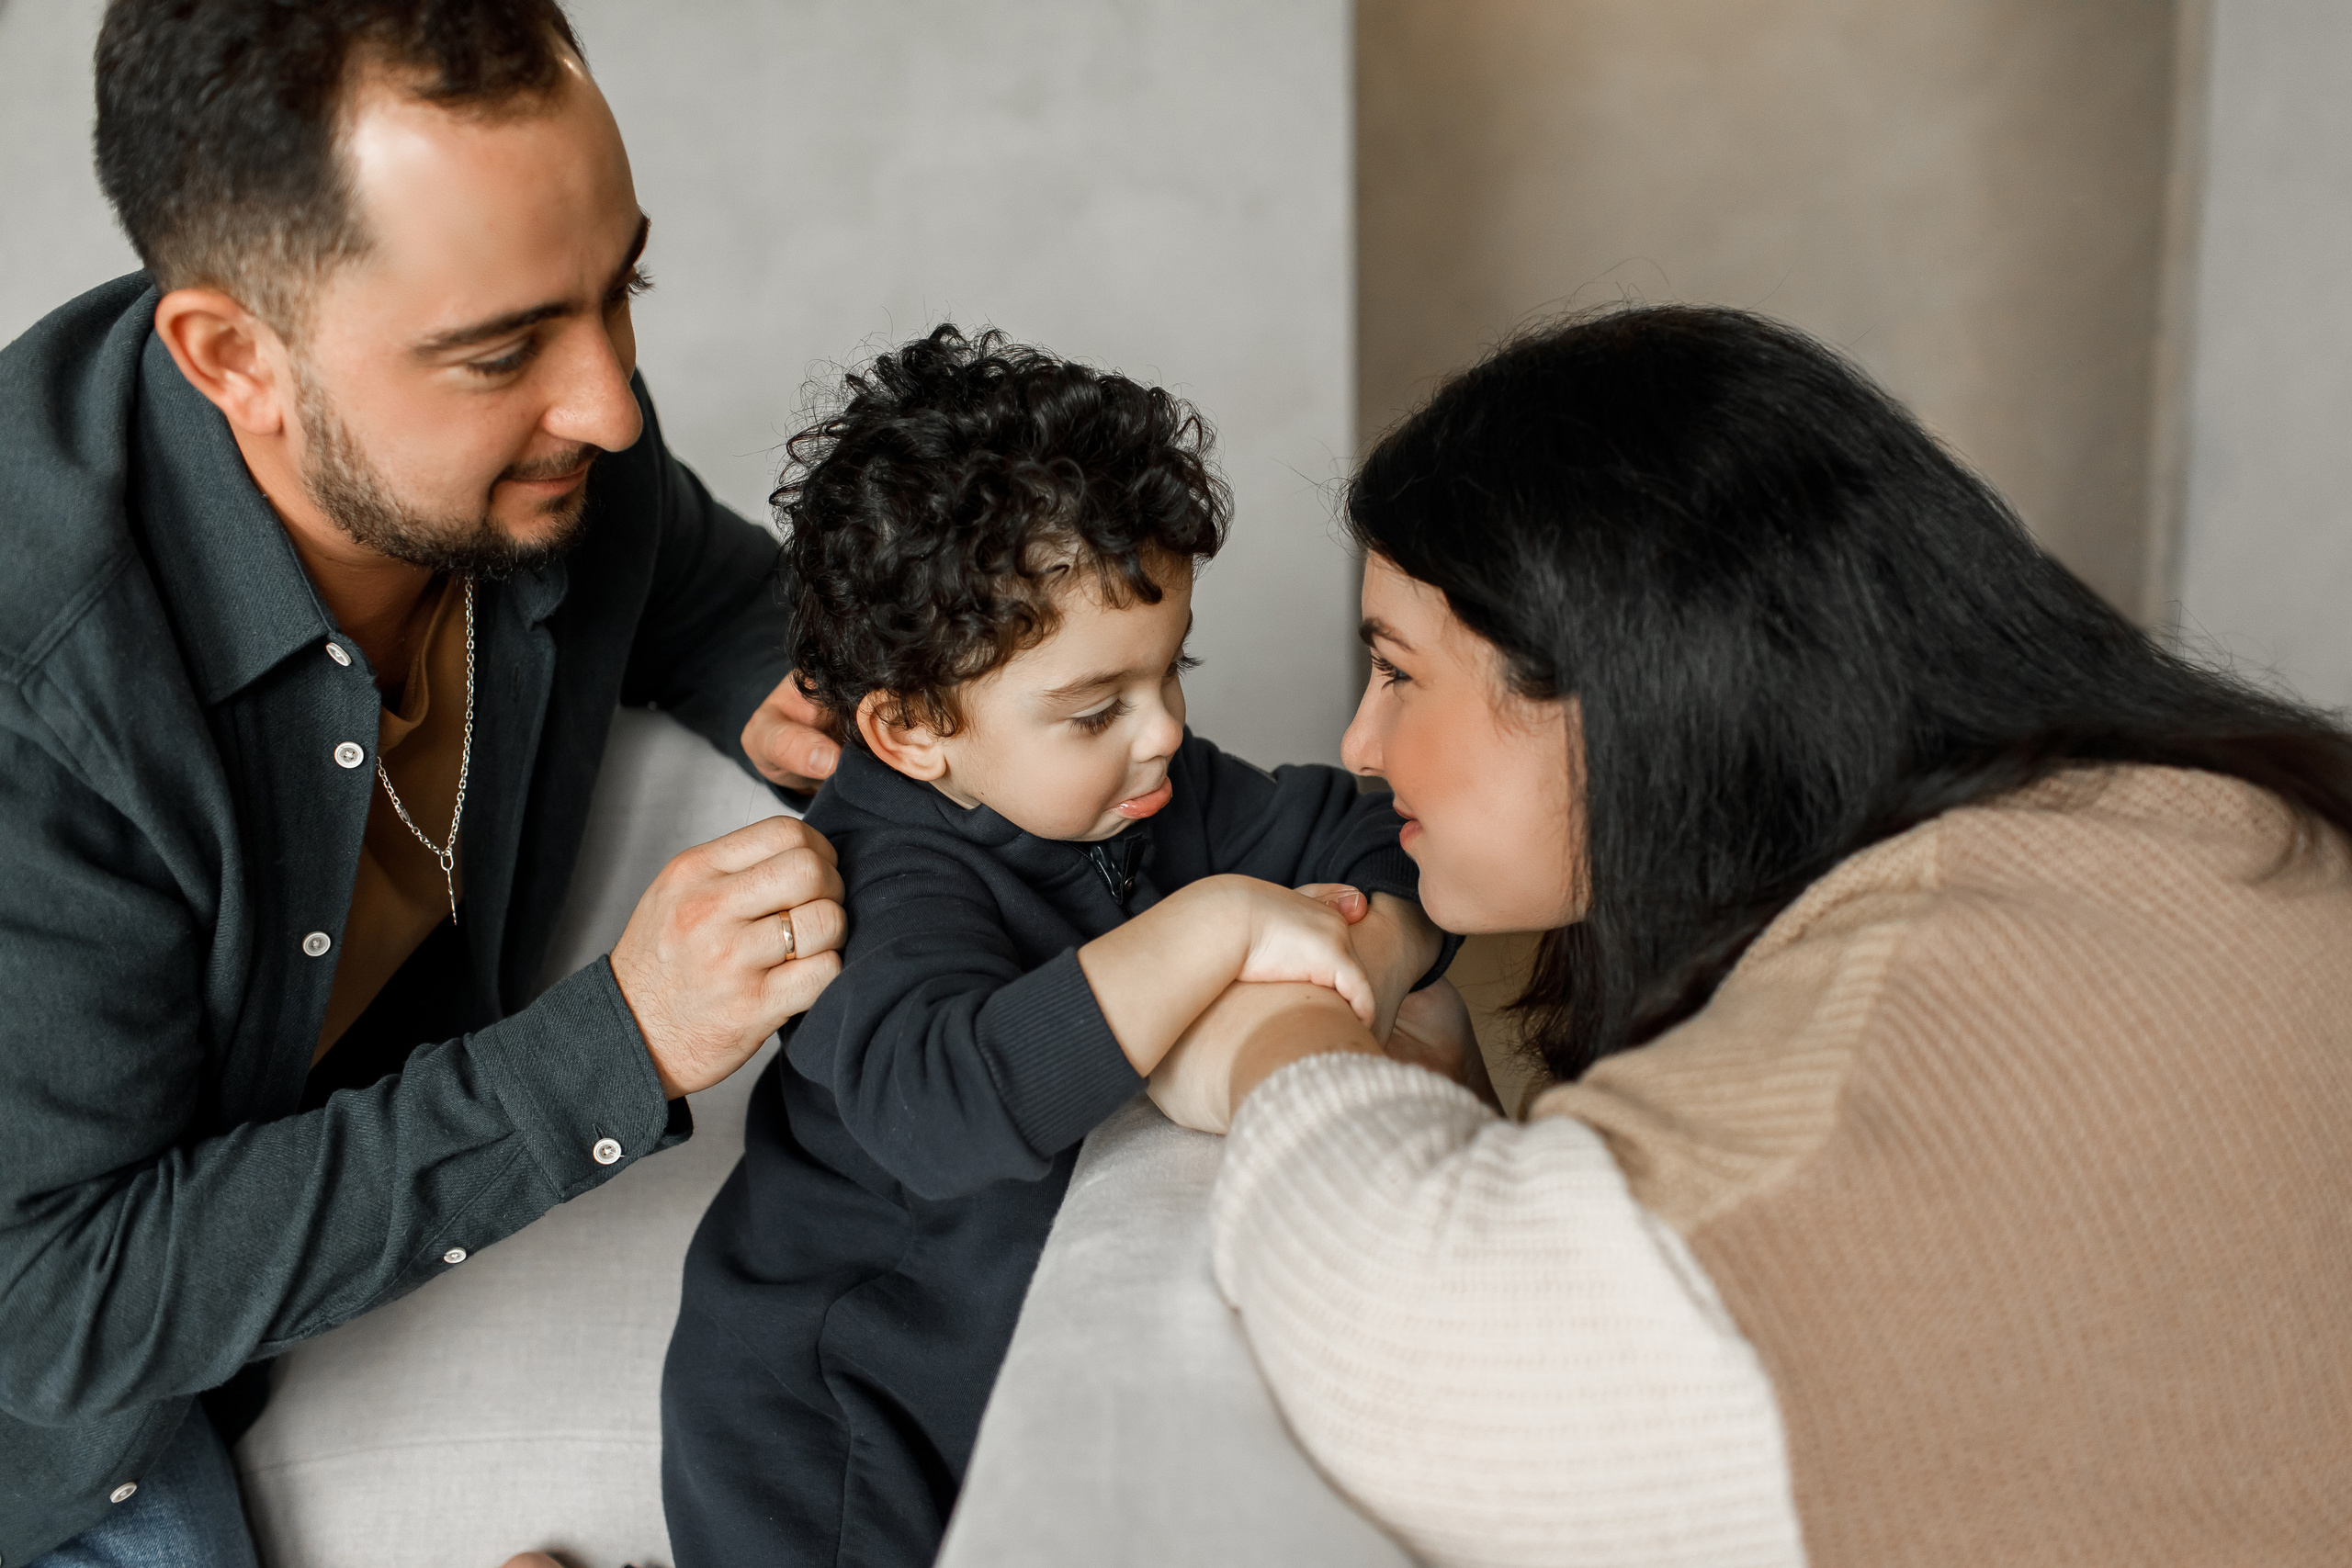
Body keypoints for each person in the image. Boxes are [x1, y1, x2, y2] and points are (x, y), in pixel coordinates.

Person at [1148, 306, 2352, 1567]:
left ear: (1623, 675)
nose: (1359, 745)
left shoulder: (1954, 969)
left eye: (1397, 671)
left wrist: (1279, 1036)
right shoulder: (2213, 825)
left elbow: (1449, 1355)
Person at [0, 5, 851, 1564]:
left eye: (622, 288)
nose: (606, 400)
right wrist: (622, 1042)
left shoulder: (558, 461)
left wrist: (816, 700)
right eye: (502, 350)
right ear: (232, 356)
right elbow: (55, 1316)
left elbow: (700, 592)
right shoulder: (37, 694)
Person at [659, 326, 1456, 1567]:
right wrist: (1215, 922)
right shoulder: (872, 881)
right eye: (1096, 710)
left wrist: (1385, 947)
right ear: (913, 729)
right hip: (836, 1415)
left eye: (1170, 674)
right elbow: (945, 1106)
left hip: (1003, 1348)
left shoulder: (1139, 785)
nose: (1163, 735)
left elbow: (1375, 832)